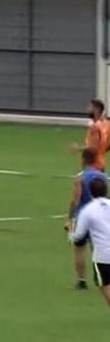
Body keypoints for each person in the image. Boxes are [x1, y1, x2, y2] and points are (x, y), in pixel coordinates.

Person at [65, 148, 107, 290]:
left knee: (79, 249)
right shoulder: (102, 176)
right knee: (96, 247)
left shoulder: (80, 177)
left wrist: (69, 218)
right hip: (99, 217)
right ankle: (101, 275)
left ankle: (82, 280)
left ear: (83, 159)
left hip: (83, 216)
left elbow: (75, 200)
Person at [70, 178, 110, 307]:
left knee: (105, 286)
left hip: (103, 257)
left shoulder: (87, 211)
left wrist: (71, 232)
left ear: (91, 192)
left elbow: (78, 236)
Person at [71, 99, 109, 171]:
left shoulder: (94, 127)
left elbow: (93, 148)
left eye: (90, 107)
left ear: (97, 110)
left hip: (92, 166)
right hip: (101, 164)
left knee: (78, 182)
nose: (87, 110)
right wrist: (102, 150)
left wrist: (78, 148)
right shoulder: (106, 124)